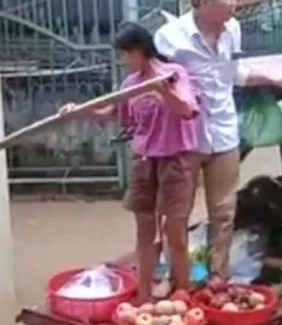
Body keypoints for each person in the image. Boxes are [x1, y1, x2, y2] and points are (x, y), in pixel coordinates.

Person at [154, 0, 282, 279]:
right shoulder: (169, 39)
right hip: (184, 137)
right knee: (176, 213)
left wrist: (273, 78)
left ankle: (217, 278)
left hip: (223, 131)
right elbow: (155, 88)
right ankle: (178, 280)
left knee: (223, 212)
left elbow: (235, 74)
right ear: (201, 2)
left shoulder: (233, 29)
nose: (234, 1)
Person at [59, 22, 200, 301]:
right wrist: (78, 112)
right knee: (144, 231)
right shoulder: (131, 84)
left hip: (175, 161)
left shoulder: (174, 75)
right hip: (144, 162)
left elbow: (186, 110)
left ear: (140, 51)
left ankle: (182, 290)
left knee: (175, 231)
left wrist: (163, 91)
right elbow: (112, 111)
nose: (123, 61)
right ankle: (144, 294)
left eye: (126, 54)